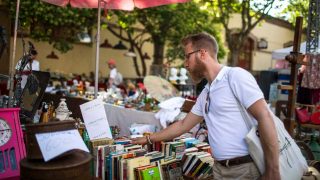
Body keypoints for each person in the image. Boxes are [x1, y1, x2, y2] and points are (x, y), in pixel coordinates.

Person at [132, 32, 280, 179]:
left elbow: (265, 116)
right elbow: (183, 125)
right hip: (219, 169)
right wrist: (149, 139)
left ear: (202, 53)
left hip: (245, 170)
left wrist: (273, 171)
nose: (185, 64)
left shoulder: (235, 76)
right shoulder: (207, 92)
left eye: (187, 56)